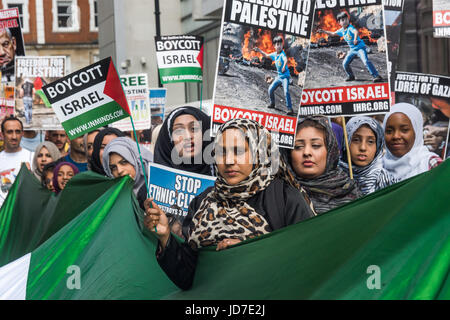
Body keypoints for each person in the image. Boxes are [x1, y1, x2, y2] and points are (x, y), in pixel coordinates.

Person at [144, 118, 315, 290]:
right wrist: (165, 237)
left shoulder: (284, 199)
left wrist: (251, 251)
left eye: (239, 151)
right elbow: (188, 278)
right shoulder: (202, 202)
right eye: (222, 152)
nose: (229, 161)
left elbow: (306, 261)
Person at [280, 116, 361, 214]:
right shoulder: (278, 196)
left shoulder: (350, 192)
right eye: (298, 147)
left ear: (330, 151)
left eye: (316, 145)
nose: (306, 152)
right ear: (288, 154)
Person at [383, 103, 443, 181]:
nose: (396, 136)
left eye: (404, 130)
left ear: (416, 132)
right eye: (389, 131)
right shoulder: (376, 167)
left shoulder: (431, 164)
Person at [339, 116, 398, 195]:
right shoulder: (332, 179)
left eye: (370, 141)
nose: (363, 148)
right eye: (356, 140)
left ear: (378, 146)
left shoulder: (388, 182)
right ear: (346, 142)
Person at [318, 12, 383, 83]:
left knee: (366, 61)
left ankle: (376, 76)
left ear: (348, 20)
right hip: (352, 50)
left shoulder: (350, 27)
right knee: (345, 63)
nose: (345, 21)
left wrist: (355, 39)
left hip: (360, 48)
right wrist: (323, 31)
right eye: (342, 20)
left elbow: (355, 32)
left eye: (346, 19)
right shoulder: (342, 31)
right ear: (339, 22)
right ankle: (351, 76)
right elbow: (333, 34)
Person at [154, 106, 214, 176]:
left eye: (194, 129)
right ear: (169, 138)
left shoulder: (223, 172)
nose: (188, 137)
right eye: (179, 131)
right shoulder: (158, 178)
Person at [102, 137, 153, 209]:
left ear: (136, 161)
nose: (119, 171)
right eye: (113, 168)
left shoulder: (156, 185)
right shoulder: (111, 199)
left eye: (124, 162)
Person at [253, 36, 295, 116]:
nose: (279, 46)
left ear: (282, 45)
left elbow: (285, 59)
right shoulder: (274, 55)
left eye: (280, 44)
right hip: (279, 77)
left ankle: (290, 108)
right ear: (274, 46)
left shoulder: (282, 54)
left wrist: (283, 66)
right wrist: (258, 50)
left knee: (286, 91)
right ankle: (272, 103)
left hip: (285, 77)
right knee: (270, 89)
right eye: (277, 44)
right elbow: (266, 55)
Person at [0, 116, 33, 206]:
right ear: (2, 135)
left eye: (17, 132)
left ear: (22, 134)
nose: (14, 136)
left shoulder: (32, 157)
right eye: (10, 132)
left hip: (24, 211)